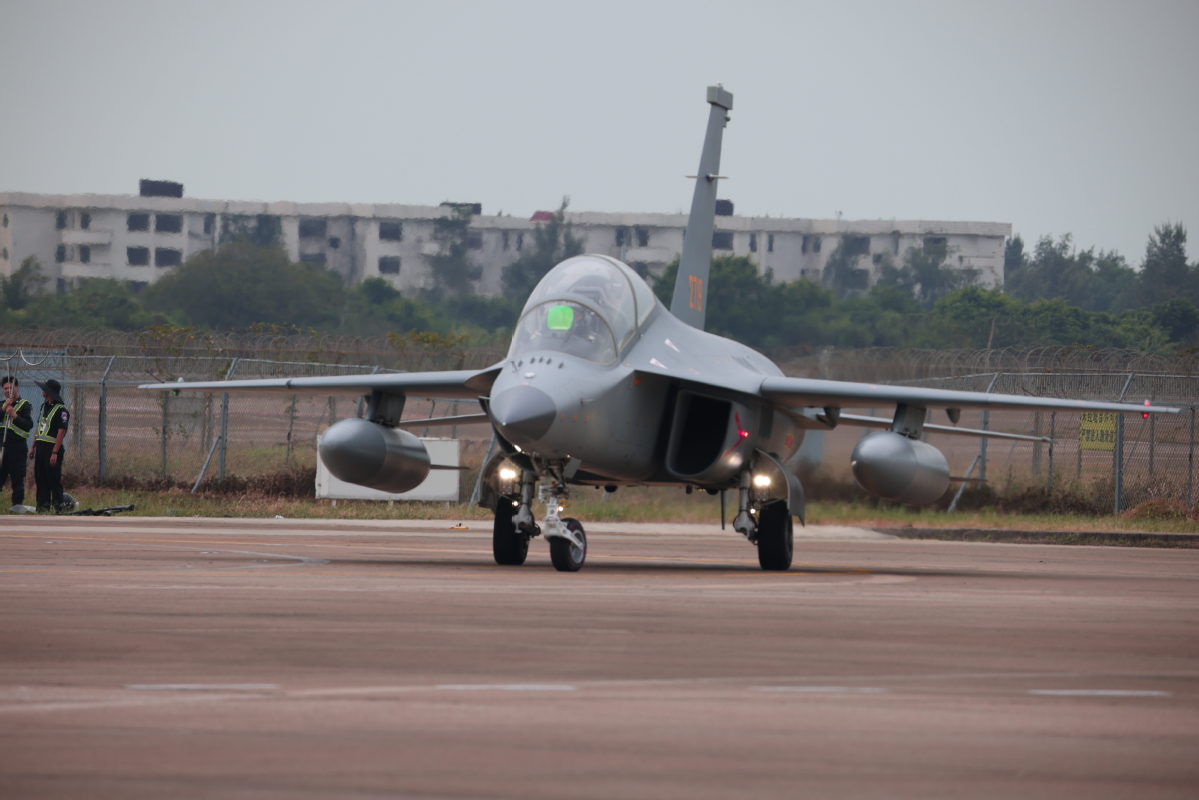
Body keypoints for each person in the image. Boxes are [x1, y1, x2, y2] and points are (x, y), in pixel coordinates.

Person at [30, 378, 70, 513]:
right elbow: (39, 427)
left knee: (53, 478)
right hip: (41, 448)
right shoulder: (44, 406)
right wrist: (33, 446)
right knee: (40, 478)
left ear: (50, 392)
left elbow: (61, 431)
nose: (43, 391)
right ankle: (42, 506)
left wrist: (55, 452)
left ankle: (59, 506)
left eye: (45, 389)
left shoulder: (61, 410)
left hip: (52, 449)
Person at [1, 375, 34, 510]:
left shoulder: (25, 405)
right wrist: (4, 408)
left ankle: (17, 506)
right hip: (2, 447)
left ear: (16, 387)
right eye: (5, 388)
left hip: (17, 448)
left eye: (11, 387)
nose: (8, 390)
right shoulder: (2, 404)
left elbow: (28, 425)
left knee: (17, 478)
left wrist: (14, 415)